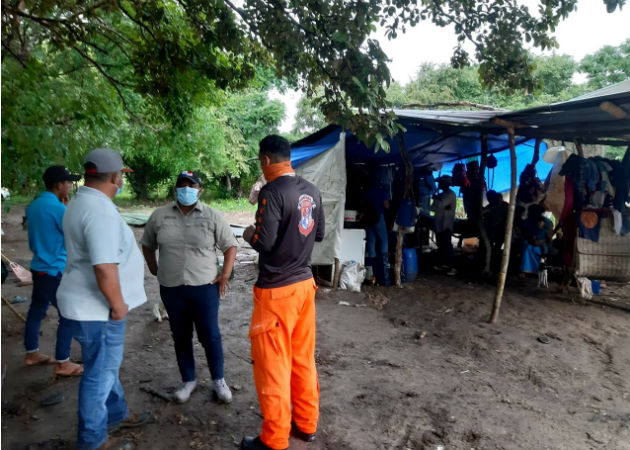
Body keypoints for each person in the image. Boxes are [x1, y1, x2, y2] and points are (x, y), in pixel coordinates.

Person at [57, 148, 149, 450]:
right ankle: (92, 440)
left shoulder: (81, 202)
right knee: (99, 374)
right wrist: (118, 304)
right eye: (121, 174)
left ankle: (117, 413)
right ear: (113, 176)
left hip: (84, 303)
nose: (122, 178)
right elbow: (103, 266)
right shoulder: (98, 211)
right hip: (99, 309)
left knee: (103, 366)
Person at [241, 135, 325, 450]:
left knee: (273, 365)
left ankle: (274, 440)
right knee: (302, 359)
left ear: (265, 160)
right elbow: (318, 234)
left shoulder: (272, 191)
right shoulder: (313, 191)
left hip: (277, 291)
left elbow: (264, 242)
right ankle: (306, 424)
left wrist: (250, 233)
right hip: (305, 286)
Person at [141, 170, 237, 404]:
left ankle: (218, 380)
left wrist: (225, 275)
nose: (186, 189)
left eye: (191, 185)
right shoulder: (160, 216)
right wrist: (155, 269)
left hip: (204, 287)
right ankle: (188, 380)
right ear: (176, 188)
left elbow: (230, 246)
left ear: (199, 190)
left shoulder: (212, 216)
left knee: (210, 335)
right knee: (180, 335)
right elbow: (147, 244)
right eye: (182, 185)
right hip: (172, 288)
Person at [24, 165, 84, 376]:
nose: (70, 186)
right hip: (54, 270)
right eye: (68, 182)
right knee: (68, 314)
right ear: (59, 185)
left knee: (37, 310)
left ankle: (32, 353)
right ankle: (63, 362)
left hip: (39, 267)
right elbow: (74, 236)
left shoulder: (34, 205)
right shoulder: (58, 209)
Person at [359, 173, 390, 286]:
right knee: (384, 241)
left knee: (371, 244)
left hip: (367, 219)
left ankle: (370, 273)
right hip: (378, 217)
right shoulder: (382, 190)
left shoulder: (365, 191)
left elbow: (362, 206)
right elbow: (386, 206)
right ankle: (384, 270)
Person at [431, 175, 457, 276]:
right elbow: (433, 208)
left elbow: (439, 205)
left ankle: (453, 267)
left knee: (447, 245)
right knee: (441, 245)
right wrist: (437, 199)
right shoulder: (442, 195)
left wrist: (436, 198)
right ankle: (444, 264)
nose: (439, 184)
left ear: (446, 184)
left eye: (441, 183)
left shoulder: (450, 194)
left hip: (446, 224)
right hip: (439, 223)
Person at [519, 204, 553, 275]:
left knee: (538, 250)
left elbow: (549, 238)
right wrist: (532, 240)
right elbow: (524, 235)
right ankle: (527, 270)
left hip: (543, 244)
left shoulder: (547, 222)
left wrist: (540, 241)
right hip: (530, 241)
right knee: (527, 247)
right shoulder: (527, 221)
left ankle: (538, 270)